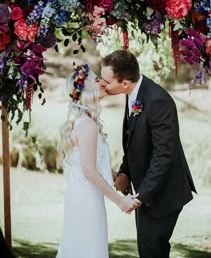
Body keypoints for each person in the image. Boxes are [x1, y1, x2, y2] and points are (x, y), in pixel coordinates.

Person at [101, 50, 197, 258]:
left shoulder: (157, 100)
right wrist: (125, 172)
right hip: (148, 192)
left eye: (107, 81)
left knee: (151, 251)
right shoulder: (134, 94)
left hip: (163, 194)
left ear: (125, 83)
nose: (103, 84)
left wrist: (142, 196)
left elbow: (164, 154)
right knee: (151, 251)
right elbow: (135, 140)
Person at [56, 63, 138, 258]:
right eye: (97, 79)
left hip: (85, 198)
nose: (102, 82)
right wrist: (120, 201)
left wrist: (118, 176)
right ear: (87, 89)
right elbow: (89, 171)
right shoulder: (87, 125)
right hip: (86, 202)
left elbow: (91, 165)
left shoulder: (84, 121)